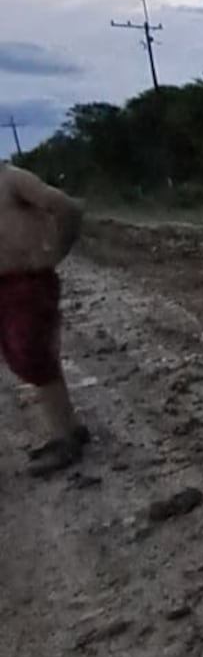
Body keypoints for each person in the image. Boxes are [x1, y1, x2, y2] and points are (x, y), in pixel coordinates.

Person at [0, 163, 88, 476]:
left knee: (33, 355)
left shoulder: (11, 178)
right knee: (30, 357)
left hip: (28, 282)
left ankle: (65, 440)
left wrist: (56, 250)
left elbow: (66, 206)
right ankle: (70, 428)